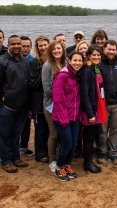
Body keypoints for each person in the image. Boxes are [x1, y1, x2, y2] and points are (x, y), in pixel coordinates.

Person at [0, 35, 30, 173]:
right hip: (7, 107)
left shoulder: (24, 61)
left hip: (22, 106)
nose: (17, 46)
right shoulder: (2, 61)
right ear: (8, 45)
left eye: (19, 44)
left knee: (16, 134)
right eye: (13, 44)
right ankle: (6, 160)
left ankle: (16, 157)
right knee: (5, 134)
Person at [52, 51, 83, 181]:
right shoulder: (62, 75)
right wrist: (64, 119)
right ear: (69, 61)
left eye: (80, 60)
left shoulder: (76, 75)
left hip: (74, 116)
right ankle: (59, 166)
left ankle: (66, 164)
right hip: (62, 117)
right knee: (67, 143)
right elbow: (58, 99)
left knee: (74, 143)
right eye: (75, 60)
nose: (77, 63)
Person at [98, 40, 117, 165]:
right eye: (109, 49)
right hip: (103, 103)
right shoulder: (98, 64)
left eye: (113, 49)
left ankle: (113, 152)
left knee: (115, 130)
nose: (111, 52)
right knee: (103, 131)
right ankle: (102, 151)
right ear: (104, 49)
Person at [79, 45, 106, 173]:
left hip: (97, 106)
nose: (96, 57)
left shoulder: (96, 69)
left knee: (93, 134)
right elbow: (84, 94)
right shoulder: (86, 71)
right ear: (88, 56)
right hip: (90, 110)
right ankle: (87, 162)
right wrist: (90, 114)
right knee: (89, 136)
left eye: (98, 55)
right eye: (93, 55)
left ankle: (89, 159)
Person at [42, 40, 67, 173]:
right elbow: (47, 89)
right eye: (54, 49)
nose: (57, 51)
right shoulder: (47, 66)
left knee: (63, 133)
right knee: (54, 133)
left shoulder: (66, 63)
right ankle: (52, 160)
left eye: (59, 48)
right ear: (50, 51)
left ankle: (61, 156)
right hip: (51, 105)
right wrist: (62, 97)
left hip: (65, 105)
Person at [29, 36, 50, 162]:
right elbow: (32, 83)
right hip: (38, 101)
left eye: (45, 45)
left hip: (51, 100)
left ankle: (49, 151)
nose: (43, 47)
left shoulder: (54, 59)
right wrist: (44, 73)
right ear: (37, 47)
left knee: (50, 128)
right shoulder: (34, 62)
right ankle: (40, 154)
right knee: (40, 128)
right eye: (40, 45)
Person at [19, 36, 34, 157]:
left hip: (29, 98)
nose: (25, 48)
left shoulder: (32, 60)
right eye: (23, 46)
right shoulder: (13, 60)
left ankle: (23, 146)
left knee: (27, 124)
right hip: (14, 98)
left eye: (28, 46)